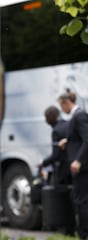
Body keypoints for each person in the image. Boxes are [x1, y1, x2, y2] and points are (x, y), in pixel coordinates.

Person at [58, 90, 88, 239]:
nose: (61, 110)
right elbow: (79, 138)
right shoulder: (77, 115)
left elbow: (87, 138)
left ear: (66, 102)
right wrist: (68, 141)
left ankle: (84, 235)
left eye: (61, 106)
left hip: (82, 167)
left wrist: (79, 160)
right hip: (80, 165)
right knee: (81, 200)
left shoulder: (79, 115)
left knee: (81, 201)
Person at [40, 106, 71, 185]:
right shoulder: (68, 124)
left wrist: (43, 162)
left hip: (63, 169)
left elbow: (56, 154)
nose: (46, 121)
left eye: (46, 118)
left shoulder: (56, 131)